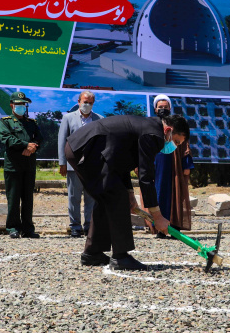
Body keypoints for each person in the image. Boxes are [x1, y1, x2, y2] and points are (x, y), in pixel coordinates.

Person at [65, 114, 190, 271]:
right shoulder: (154, 135)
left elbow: (120, 163)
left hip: (88, 148)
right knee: (116, 197)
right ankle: (121, 256)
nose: (174, 147)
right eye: (176, 141)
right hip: (87, 149)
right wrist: (157, 216)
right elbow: (146, 178)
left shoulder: (148, 127)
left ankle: (93, 253)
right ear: (169, 130)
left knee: (107, 197)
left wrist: (130, 193)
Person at [143, 94, 194, 239]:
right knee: (158, 194)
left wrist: (186, 165)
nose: (163, 109)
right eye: (160, 107)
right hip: (156, 167)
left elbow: (184, 144)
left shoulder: (176, 125)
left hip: (174, 166)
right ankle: (160, 228)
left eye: (165, 107)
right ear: (155, 109)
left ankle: (175, 227)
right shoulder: (151, 124)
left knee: (176, 194)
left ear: (170, 108)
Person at [57, 91, 103, 238]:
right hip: (73, 165)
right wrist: (62, 162)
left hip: (92, 166)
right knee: (73, 196)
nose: (87, 105)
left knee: (91, 197)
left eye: (90, 102)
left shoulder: (99, 119)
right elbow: (61, 141)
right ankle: (75, 226)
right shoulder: (68, 118)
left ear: (93, 103)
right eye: (84, 101)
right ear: (78, 101)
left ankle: (89, 225)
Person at [0, 91, 43, 239]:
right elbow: (8, 139)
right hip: (13, 165)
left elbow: (39, 138)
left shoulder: (31, 123)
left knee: (28, 198)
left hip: (29, 165)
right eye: (18, 104)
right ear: (12, 105)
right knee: (13, 198)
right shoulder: (6, 122)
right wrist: (26, 145)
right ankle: (12, 227)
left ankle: (28, 228)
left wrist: (33, 147)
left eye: (23, 105)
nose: (21, 107)